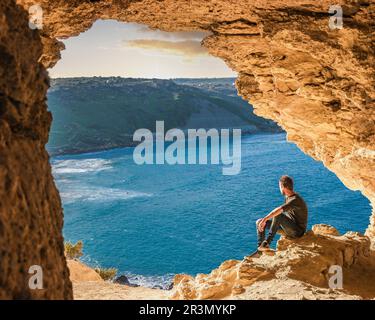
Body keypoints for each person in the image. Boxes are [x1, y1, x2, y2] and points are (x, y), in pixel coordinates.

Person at [256, 175, 308, 250]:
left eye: (279, 186)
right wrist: (263, 221)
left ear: (284, 187)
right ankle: (260, 248)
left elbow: (278, 210)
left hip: (297, 232)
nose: (279, 188)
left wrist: (265, 219)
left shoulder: (295, 200)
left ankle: (267, 243)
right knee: (259, 222)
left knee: (278, 215)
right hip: (288, 228)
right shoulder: (288, 197)